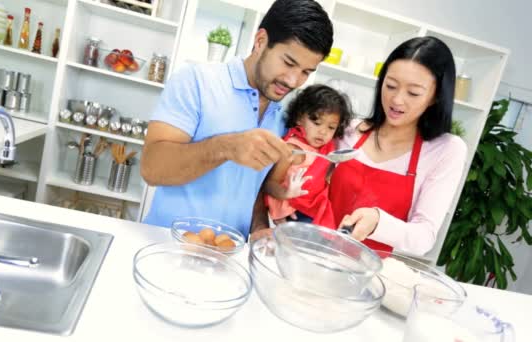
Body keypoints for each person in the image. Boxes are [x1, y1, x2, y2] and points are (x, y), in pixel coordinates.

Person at [140, 0, 334, 239]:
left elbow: (253, 189)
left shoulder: (284, 117)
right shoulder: (196, 81)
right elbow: (152, 168)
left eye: (306, 72)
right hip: (165, 246)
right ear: (260, 41)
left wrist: (260, 227)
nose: (294, 81)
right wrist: (226, 148)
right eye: (289, 63)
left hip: (230, 256)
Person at [328, 36, 467, 256]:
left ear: (435, 97)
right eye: (390, 86)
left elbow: (424, 238)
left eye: (413, 93)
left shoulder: (446, 149)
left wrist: (378, 222)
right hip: (316, 253)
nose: (397, 100)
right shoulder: (349, 129)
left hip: (369, 273)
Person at [264, 84, 352, 228]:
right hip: (290, 212)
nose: (323, 132)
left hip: (313, 208)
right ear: (299, 118)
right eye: (317, 123)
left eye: (331, 127)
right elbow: (269, 184)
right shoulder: (292, 150)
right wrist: (287, 193)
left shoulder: (327, 149)